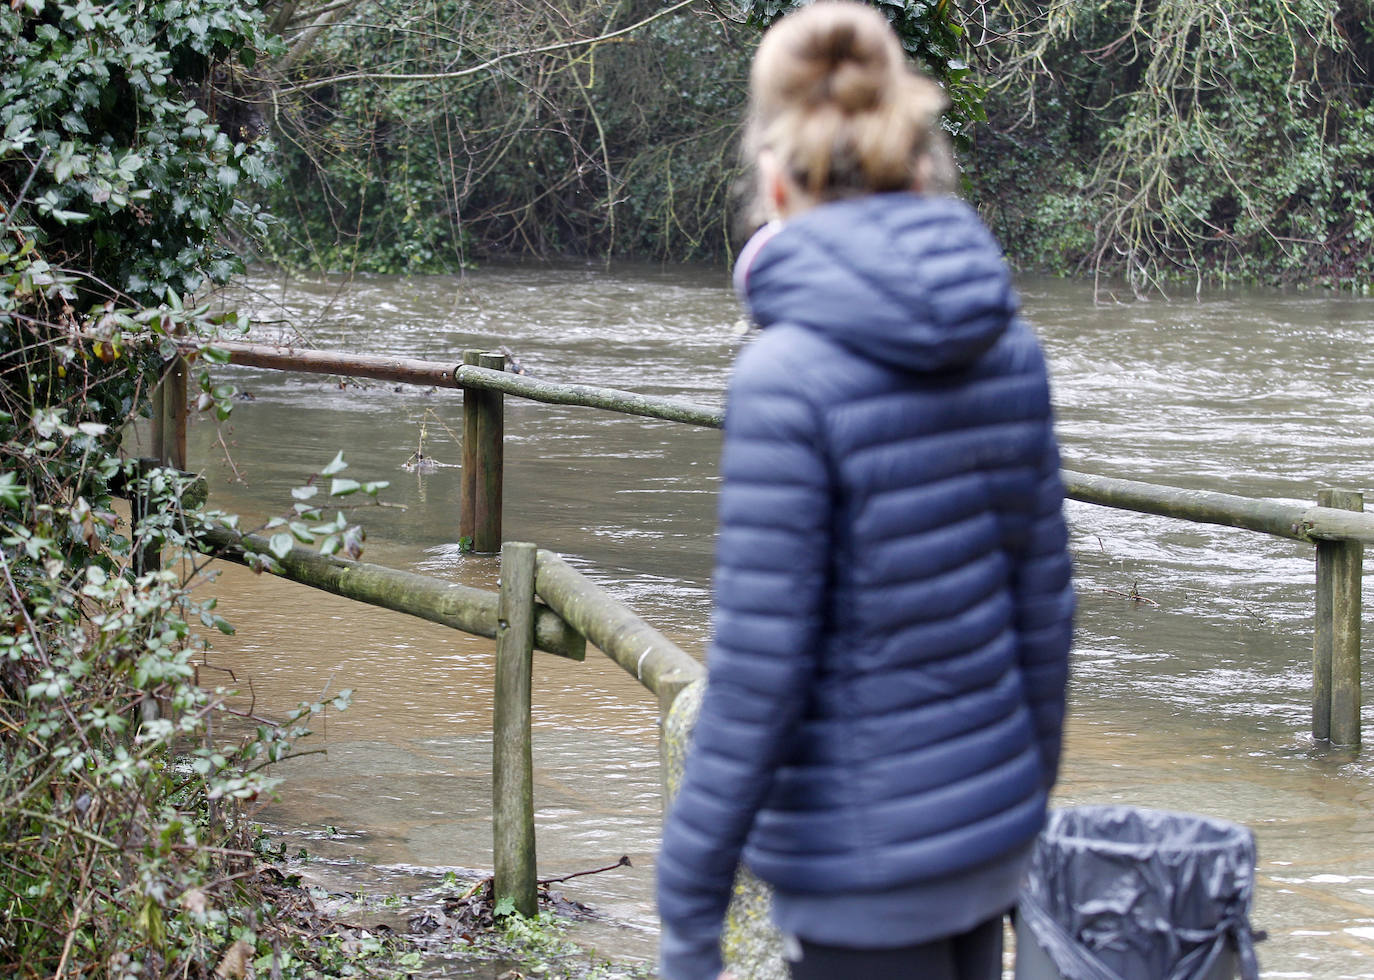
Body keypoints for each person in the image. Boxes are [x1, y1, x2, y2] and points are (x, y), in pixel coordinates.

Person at [655, 3, 1076, 979]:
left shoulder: (785, 378)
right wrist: (1011, 807)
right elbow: (1045, 613)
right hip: (986, 849)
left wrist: (687, 906)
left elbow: (760, 674)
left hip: (857, 875)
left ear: (773, 179)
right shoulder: (1008, 344)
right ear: (919, 163)